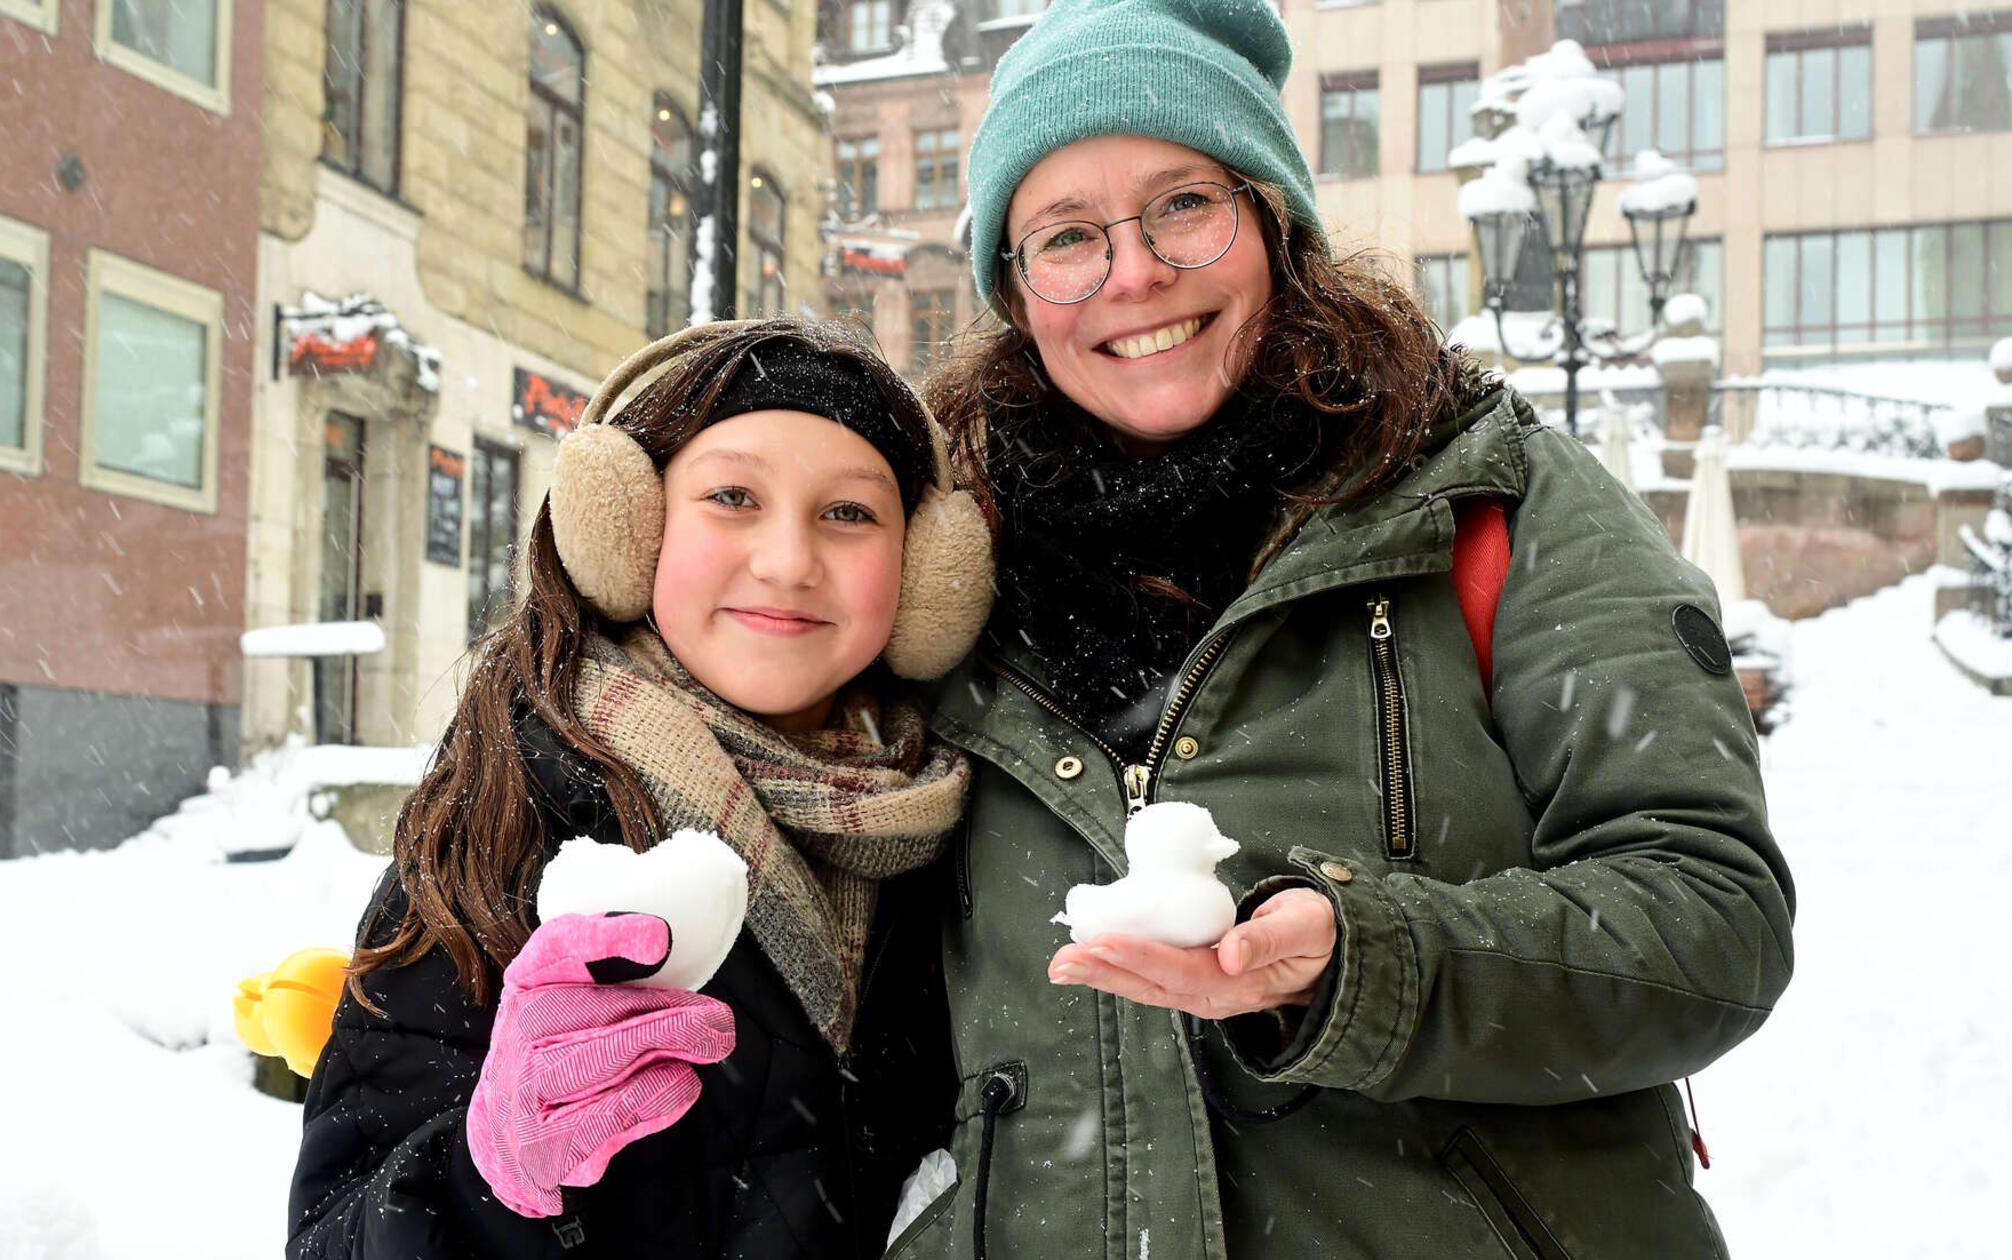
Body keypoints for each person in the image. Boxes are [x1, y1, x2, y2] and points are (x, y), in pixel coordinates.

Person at [897, 2, 1797, 1257]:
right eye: (1064, 236)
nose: (1134, 273)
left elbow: (1709, 920)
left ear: (1273, 222)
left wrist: (1363, 960)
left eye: (1181, 205)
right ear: (1011, 287)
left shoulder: (1492, 493)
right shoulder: (932, 568)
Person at [286, 318, 995, 1259]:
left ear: (927, 572)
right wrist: (489, 1182)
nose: (788, 559)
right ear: (625, 527)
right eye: (734, 496)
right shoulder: (506, 814)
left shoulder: (972, 829)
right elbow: (337, 1233)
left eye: (849, 513)